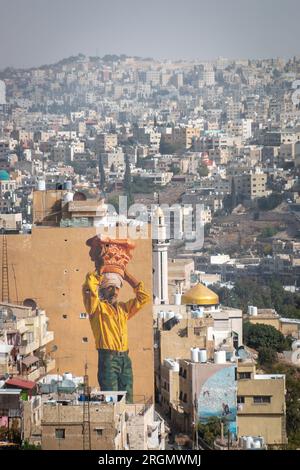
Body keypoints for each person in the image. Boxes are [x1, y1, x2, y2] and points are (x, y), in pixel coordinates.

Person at [82, 247, 150, 404]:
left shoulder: (123, 310)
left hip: (125, 358)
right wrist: (100, 270)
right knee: (112, 400)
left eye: (117, 288)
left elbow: (143, 297)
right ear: (103, 290)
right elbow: (90, 288)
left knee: (128, 397)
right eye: (110, 288)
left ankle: (127, 423)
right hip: (108, 359)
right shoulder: (96, 309)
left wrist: (127, 277)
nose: (114, 292)